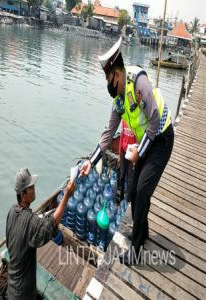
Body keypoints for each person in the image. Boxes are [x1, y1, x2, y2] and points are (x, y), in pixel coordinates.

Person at [80, 37, 174, 266]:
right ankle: (143, 232)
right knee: (132, 191)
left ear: (118, 73)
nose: (107, 83)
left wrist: (137, 154)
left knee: (142, 191)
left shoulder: (137, 81)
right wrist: (91, 162)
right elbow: (108, 133)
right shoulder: (119, 102)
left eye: (108, 77)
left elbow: (153, 120)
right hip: (146, 143)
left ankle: (136, 250)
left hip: (161, 138)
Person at [6, 168, 75, 299]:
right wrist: (66, 196)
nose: (34, 189)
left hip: (12, 285)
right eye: (31, 187)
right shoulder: (30, 221)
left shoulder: (11, 212)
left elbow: (10, 243)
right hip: (24, 293)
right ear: (23, 194)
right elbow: (50, 227)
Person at [118, 119, 137, 202]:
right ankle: (120, 197)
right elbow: (121, 137)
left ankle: (128, 200)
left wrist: (135, 158)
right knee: (122, 176)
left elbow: (138, 141)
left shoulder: (136, 123)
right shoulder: (124, 121)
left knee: (130, 178)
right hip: (123, 152)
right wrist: (119, 154)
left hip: (131, 154)